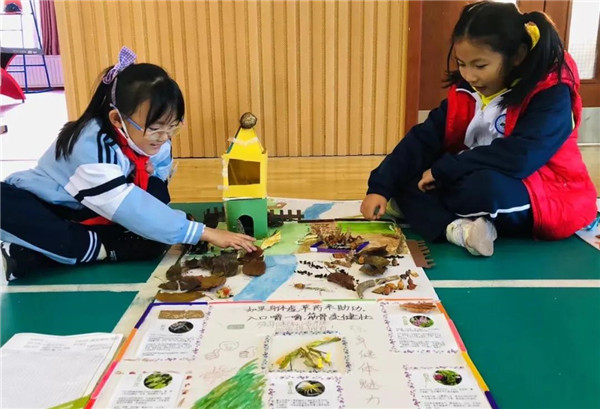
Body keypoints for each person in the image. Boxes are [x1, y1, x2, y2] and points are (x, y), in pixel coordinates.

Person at [361, 1, 596, 256]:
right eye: (462, 63)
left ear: (517, 56)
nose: (469, 76)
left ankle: (419, 209)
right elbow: (423, 138)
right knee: (409, 173)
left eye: (480, 66)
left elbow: (521, 157)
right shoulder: (467, 90)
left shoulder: (551, 93)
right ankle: (457, 229)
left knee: (483, 189)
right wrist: (380, 187)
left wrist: (445, 169)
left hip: (545, 191)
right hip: (470, 172)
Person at [1, 47, 256, 280]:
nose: (164, 137)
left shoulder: (154, 139)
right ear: (116, 119)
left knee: (156, 222)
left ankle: (33, 256)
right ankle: (96, 248)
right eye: (155, 128)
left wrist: (160, 204)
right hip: (45, 206)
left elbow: (155, 195)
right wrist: (202, 232)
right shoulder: (91, 148)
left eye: (173, 127)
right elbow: (129, 207)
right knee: (27, 218)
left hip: (92, 211)